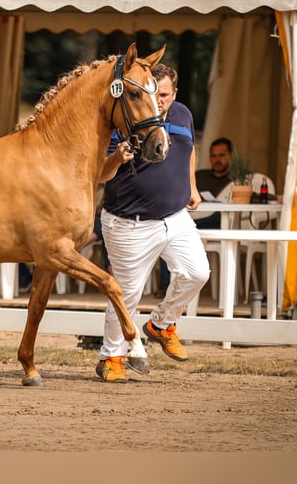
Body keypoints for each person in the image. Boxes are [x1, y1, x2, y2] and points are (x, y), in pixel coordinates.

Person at [95, 62, 210, 382]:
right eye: (151, 93)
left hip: (175, 216)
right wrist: (117, 157)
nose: (157, 101)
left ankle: (160, 324)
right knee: (127, 294)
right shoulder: (124, 117)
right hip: (128, 222)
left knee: (198, 272)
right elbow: (101, 174)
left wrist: (192, 185)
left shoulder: (183, 114)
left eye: (163, 95)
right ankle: (110, 357)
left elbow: (188, 150)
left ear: (175, 94)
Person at [193, 137, 234, 229]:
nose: (217, 160)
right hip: (195, 214)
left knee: (220, 215)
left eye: (221, 155)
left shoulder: (236, 181)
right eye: (213, 156)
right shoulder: (199, 176)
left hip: (220, 218)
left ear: (231, 156)